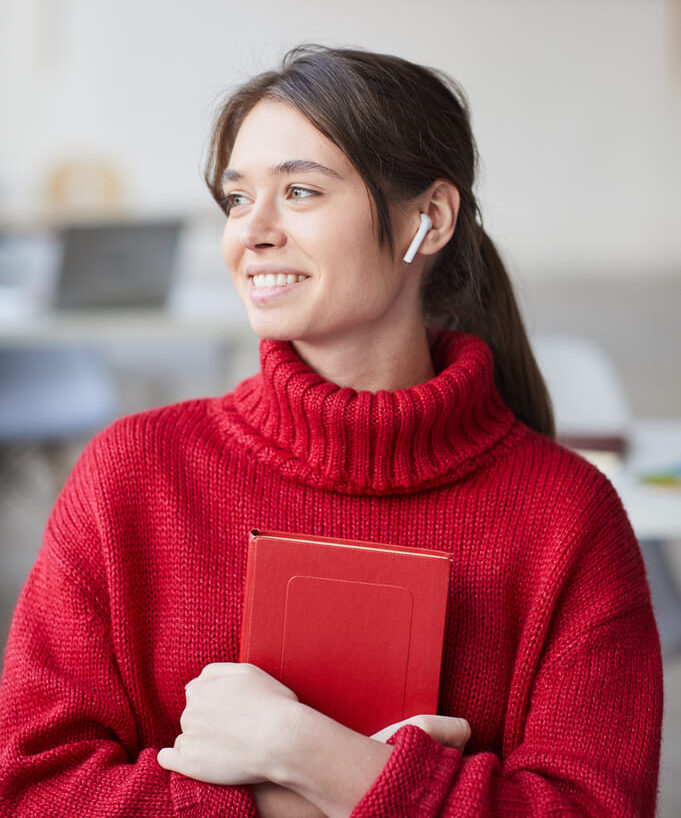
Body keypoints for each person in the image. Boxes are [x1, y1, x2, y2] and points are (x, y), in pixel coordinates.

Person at [0, 45, 662, 817]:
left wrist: (307, 754)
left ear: (430, 218)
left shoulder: (566, 515)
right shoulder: (133, 474)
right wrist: (289, 801)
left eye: (302, 191)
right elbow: (34, 786)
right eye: (238, 199)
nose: (254, 232)